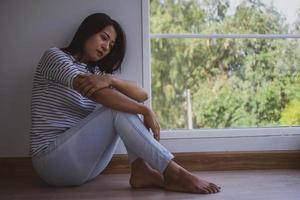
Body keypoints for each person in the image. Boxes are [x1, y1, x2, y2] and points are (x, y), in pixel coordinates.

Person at [30, 13, 220, 194]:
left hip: (84, 166)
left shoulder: (96, 74)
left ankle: (141, 170)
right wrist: (144, 111)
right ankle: (174, 172)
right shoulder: (55, 57)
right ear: (87, 32)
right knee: (117, 108)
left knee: (122, 105)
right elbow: (99, 95)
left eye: (111, 45)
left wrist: (111, 80)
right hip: (51, 161)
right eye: (103, 38)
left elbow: (141, 94)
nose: (106, 47)